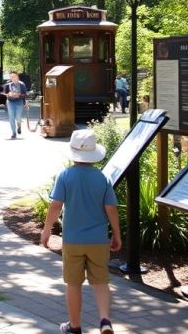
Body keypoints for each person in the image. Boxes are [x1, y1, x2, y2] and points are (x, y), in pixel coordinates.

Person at [41, 130, 122, 334]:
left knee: (73, 283)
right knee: (101, 281)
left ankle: (74, 326)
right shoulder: (102, 178)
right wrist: (117, 234)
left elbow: (55, 205)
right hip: (98, 240)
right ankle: (104, 320)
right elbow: (111, 208)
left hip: (73, 240)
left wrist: (47, 230)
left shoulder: (65, 176)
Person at [3, 70, 27, 138]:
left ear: (17, 76)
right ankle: (14, 133)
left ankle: (19, 125)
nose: (13, 78)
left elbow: (25, 94)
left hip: (19, 102)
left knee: (18, 117)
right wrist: (8, 94)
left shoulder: (22, 84)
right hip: (10, 102)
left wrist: (19, 95)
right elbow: (4, 93)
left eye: (14, 76)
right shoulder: (8, 84)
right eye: (11, 77)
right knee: (11, 118)